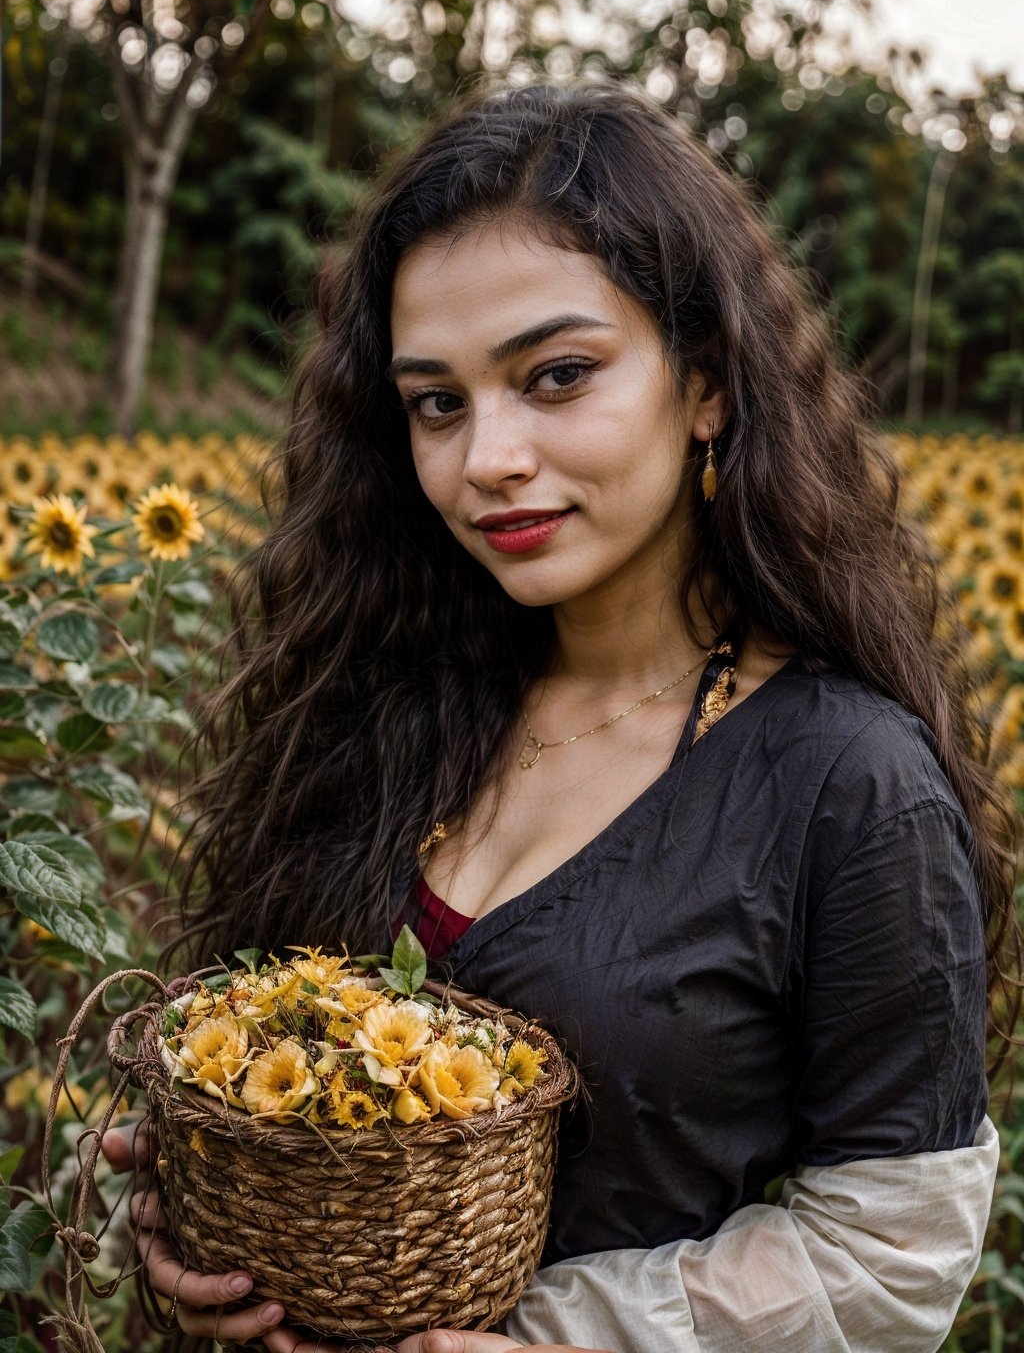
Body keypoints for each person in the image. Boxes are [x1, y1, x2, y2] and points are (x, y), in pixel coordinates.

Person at [102, 80, 1019, 1353]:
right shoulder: (375, 700)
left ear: (705, 383)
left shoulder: (845, 779)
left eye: (557, 375)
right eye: (437, 401)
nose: (487, 458)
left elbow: (892, 1247)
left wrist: (555, 1340)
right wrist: (182, 1221)